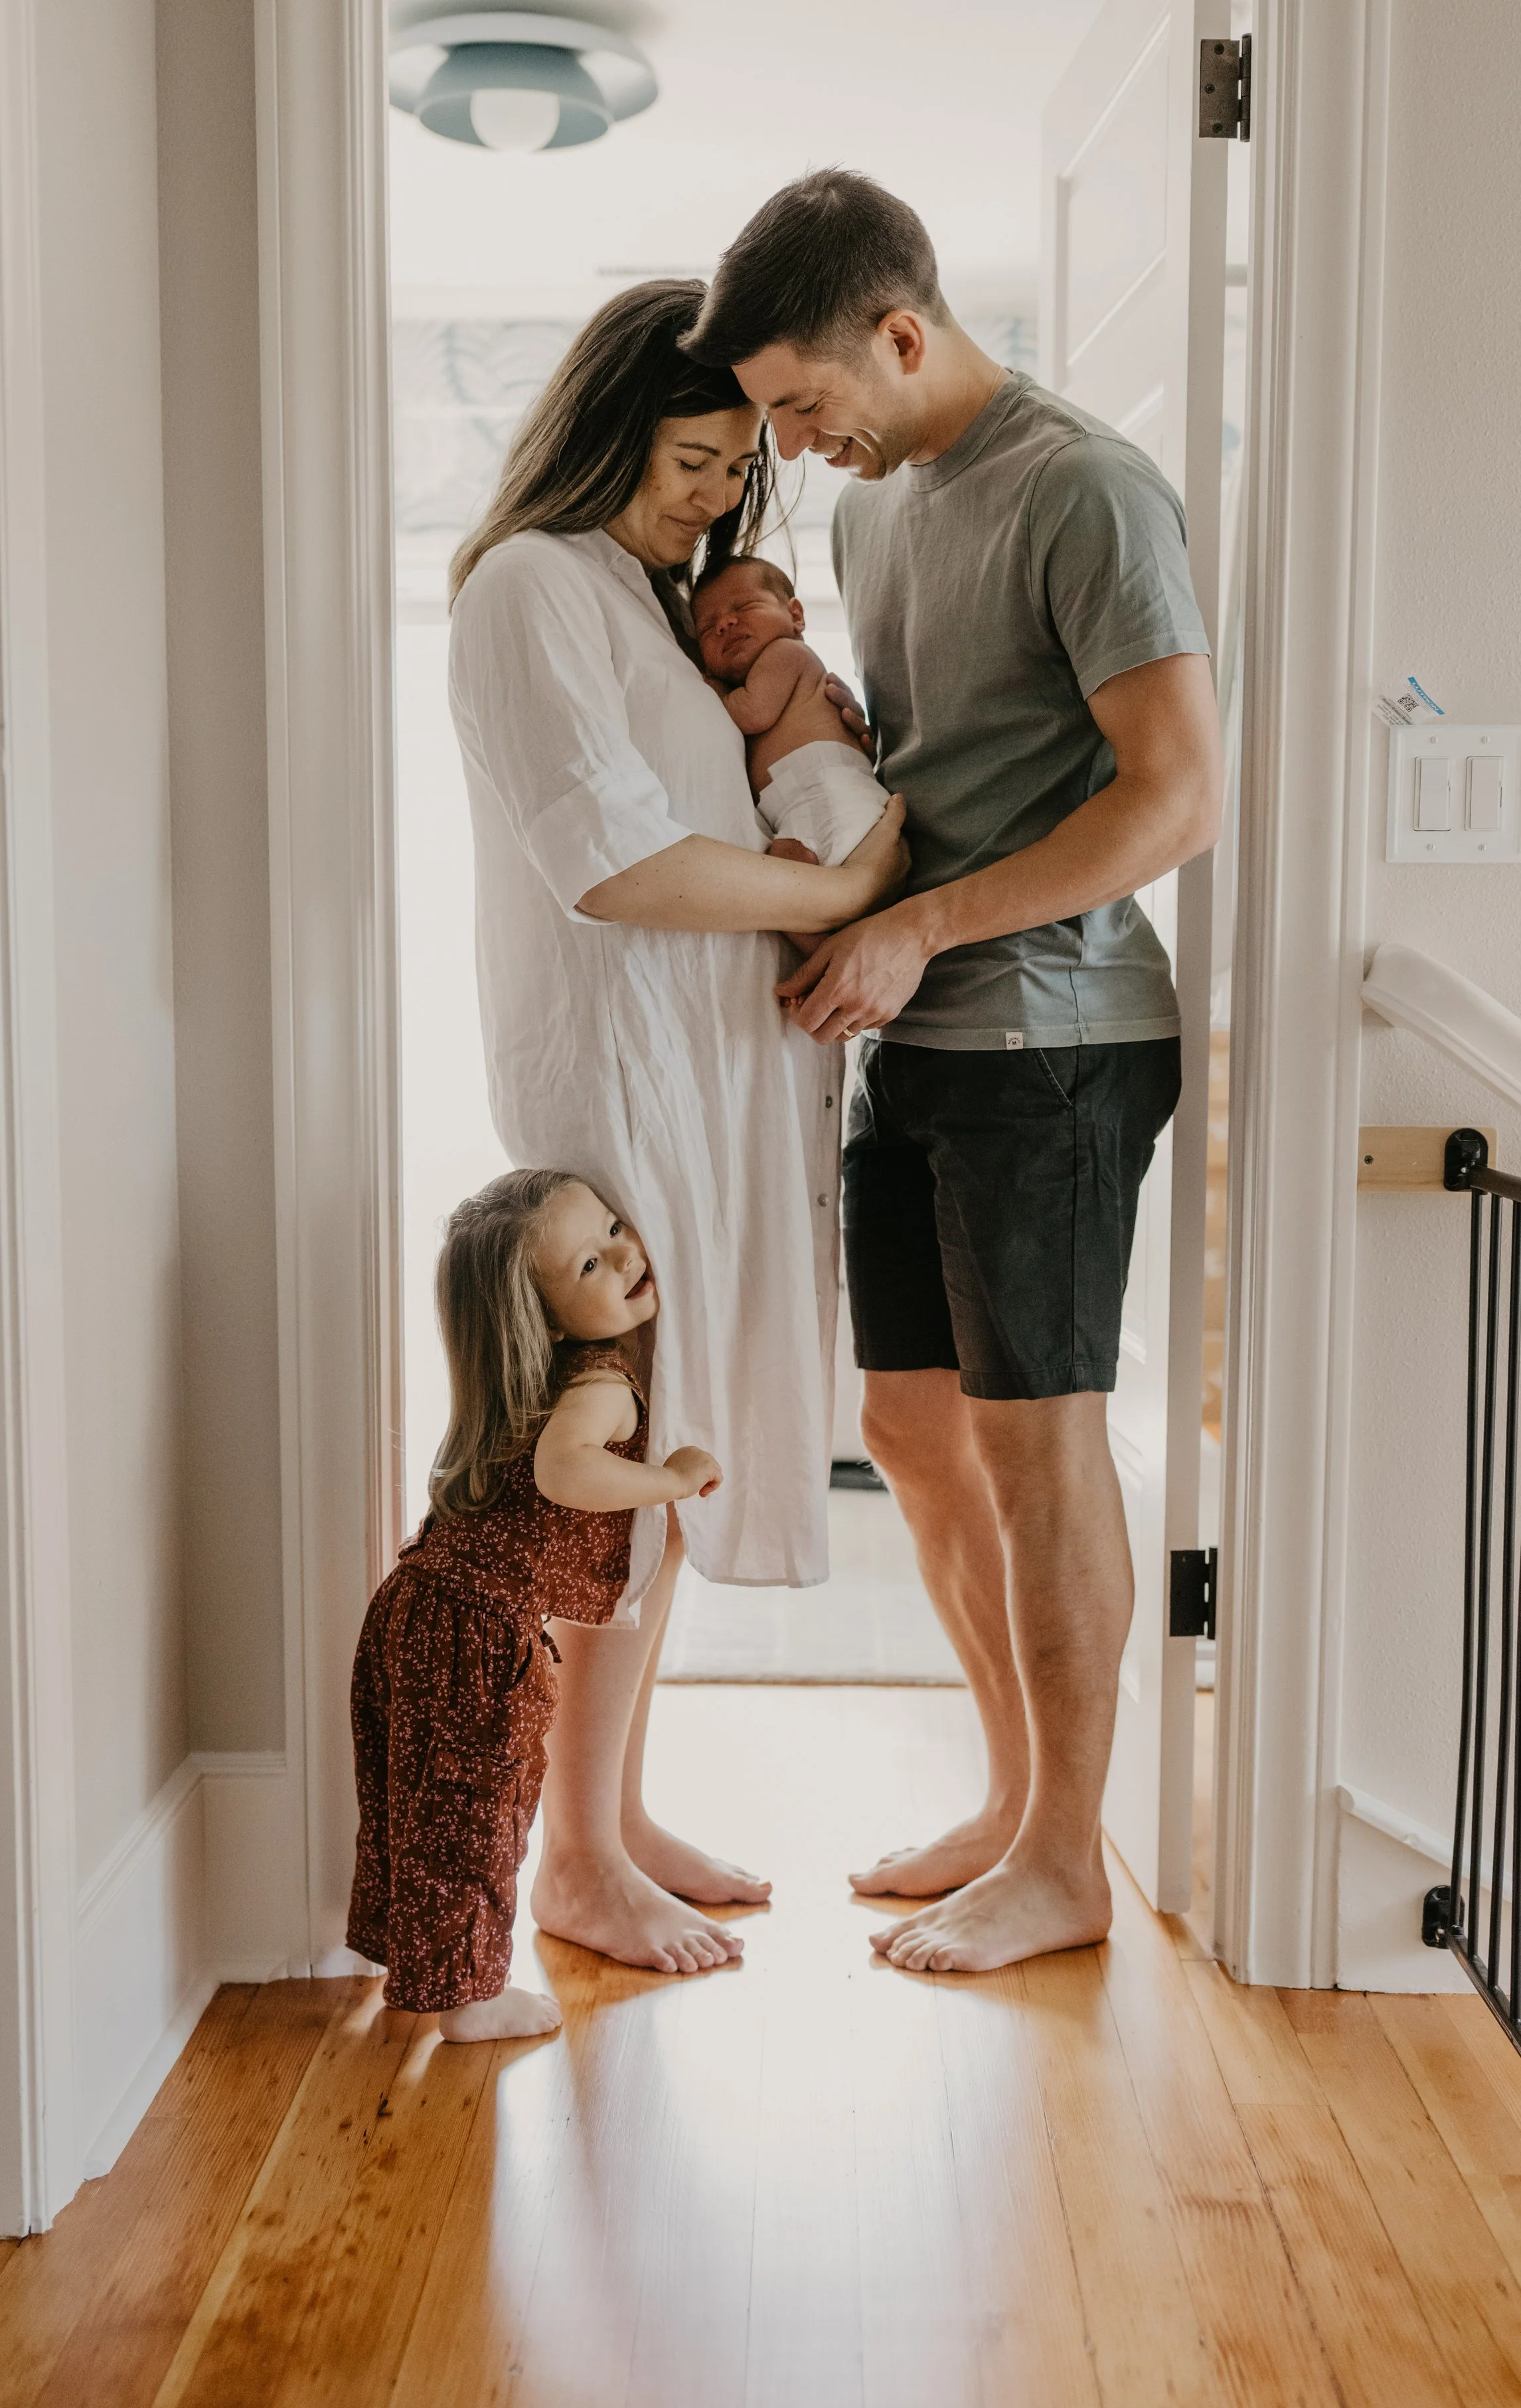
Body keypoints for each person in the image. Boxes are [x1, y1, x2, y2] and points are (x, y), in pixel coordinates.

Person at [684, 173, 1222, 1976]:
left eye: (802, 404)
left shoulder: (1083, 488)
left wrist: (921, 930)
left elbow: (1172, 795)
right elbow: (952, 756)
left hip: (1053, 1036)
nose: (792, 443)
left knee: (1033, 1438)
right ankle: (1014, 1802)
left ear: (900, 333)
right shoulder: (880, 509)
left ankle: (1068, 1856)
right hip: (913, 1032)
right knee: (910, 1425)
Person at [447, 282, 907, 1976]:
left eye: (736, 471)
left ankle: (618, 1813)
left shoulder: (651, 603)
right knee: (609, 1471)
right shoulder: (527, 588)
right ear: (602, 425)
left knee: (676, 1447)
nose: (716, 495)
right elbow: (611, 865)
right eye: (693, 456)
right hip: (617, 1091)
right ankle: (572, 1854)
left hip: (713, 1089)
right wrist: (846, 881)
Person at [346, 1170, 727, 2037]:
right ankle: (469, 1997)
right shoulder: (601, 1382)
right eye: (592, 1261)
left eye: (616, 1228)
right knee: (477, 1812)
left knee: (414, 1798)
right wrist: (666, 1478)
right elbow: (566, 1469)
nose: (629, 1253)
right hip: (474, 1627)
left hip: (413, 1604)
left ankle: (406, 1950)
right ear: (548, 1317)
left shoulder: (535, 1375)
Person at [691, 554, 889, 865]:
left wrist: (708, 690)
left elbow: (752, 712)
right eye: (706, 629)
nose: (724, 624)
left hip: (829, 795)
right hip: (804, 804)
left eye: (743, 608)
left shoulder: (784, 652)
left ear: (795, 615)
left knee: (787, 877)